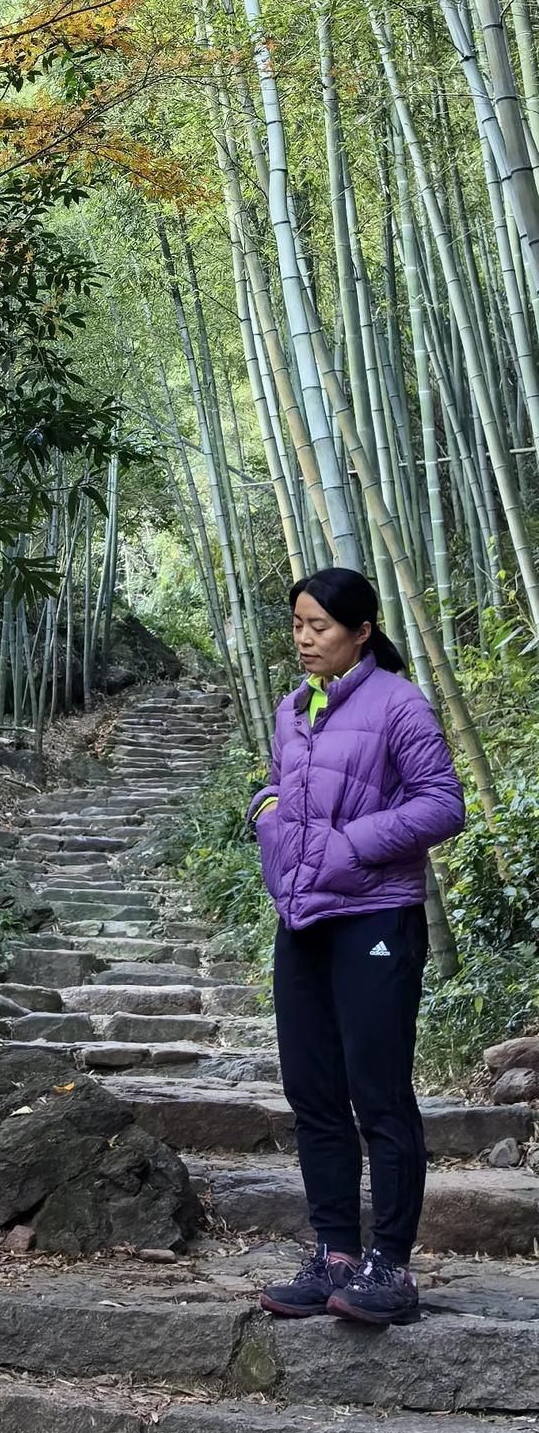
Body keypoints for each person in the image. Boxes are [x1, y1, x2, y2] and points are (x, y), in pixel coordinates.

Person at [247, 565, 465, 1329]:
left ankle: (391, 1264)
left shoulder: (398, 704)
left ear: (362, 630)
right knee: (313, 1092)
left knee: (377, 1090)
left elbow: (442, 803)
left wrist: (345, 846)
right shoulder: (290, 707)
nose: (304, 639)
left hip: (376, 915)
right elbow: (276, 786)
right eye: (298, 624)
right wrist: (269, 817)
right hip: (303, 919)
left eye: (320, 626)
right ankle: (336, 1251)